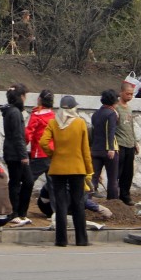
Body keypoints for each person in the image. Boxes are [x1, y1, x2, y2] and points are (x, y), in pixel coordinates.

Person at [39, 95, 93, 247]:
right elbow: (85, 150)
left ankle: (61, 240)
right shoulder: (80, 123)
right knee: (78, 203)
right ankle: (81, 239)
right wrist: (89, 170)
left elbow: (43, 142)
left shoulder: (53, 123)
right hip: (77, 168)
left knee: (61, 204)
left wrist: (53, 154)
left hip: (57, 168)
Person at [0, 84, 33, 227]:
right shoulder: (14, 113)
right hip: (15, 154)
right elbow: (18, 136)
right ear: (20, 97)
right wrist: (23, 154)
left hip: (12, 152)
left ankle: (19, 213)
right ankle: (15, 213)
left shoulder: (10, 111)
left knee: (22, 181)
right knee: (19, 182)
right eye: (24, 96)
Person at [25, 89, 56, 223]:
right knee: (53, 183)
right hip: (52, 153)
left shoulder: (37, 116)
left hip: (39, 153)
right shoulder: (54, 115)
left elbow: (28, 134)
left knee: (27, 181)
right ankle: (56, 211)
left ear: (40, 100)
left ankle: (20, 209)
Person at [90, 89, 120, 200]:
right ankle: (113, 202)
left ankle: (87, 200)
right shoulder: (111, 114)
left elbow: (93, 131)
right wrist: (111, 148)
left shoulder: (95, 114)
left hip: (96, 149)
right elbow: (111, 131)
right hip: (108, 150)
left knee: (93, 177)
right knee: (112, 178)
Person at [115, 78, 139, 205]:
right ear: (121, 93)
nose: (130, 96)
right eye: (128, 93)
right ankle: (115, 194)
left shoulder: (129, 109)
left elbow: (131, 126)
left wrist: (135, 142)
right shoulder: (116, 108)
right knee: (118, 171)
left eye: (132, 94)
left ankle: (125, 195)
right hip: (120, 143)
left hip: (129, 144)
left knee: (128, 172)